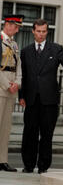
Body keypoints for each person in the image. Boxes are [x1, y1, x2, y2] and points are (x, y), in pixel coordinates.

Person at [19, 19, 63, 174]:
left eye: (44, 31)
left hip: (49, 100)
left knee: (46, 134)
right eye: (38, 31)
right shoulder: (25, 51)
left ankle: (43, 166)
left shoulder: (55, 49)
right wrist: (21, 95)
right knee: (29, 133)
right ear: (33, 31)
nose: (41, 34)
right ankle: (28, 165)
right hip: (31, 100)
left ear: (47, 32)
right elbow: (24, 76)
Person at [0, 14, 23, 172]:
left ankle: (2, 160)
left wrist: (18, 83)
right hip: (1, 88)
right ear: (7, 25)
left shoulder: (13, 44)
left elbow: (18, 66)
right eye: (15, 26)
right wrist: (7, 84)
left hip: (11, 89)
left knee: (6, 128)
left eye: (18, 27)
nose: (17, 29)